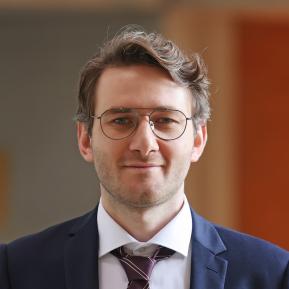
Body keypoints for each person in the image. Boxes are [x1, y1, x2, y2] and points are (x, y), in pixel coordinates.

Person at [0, 26, 288, 289]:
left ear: (198, 140)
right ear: (85, 138)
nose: (144, 144)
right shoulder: (16, 270)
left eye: (165, 120)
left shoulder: (272, 275)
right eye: (121, 120)